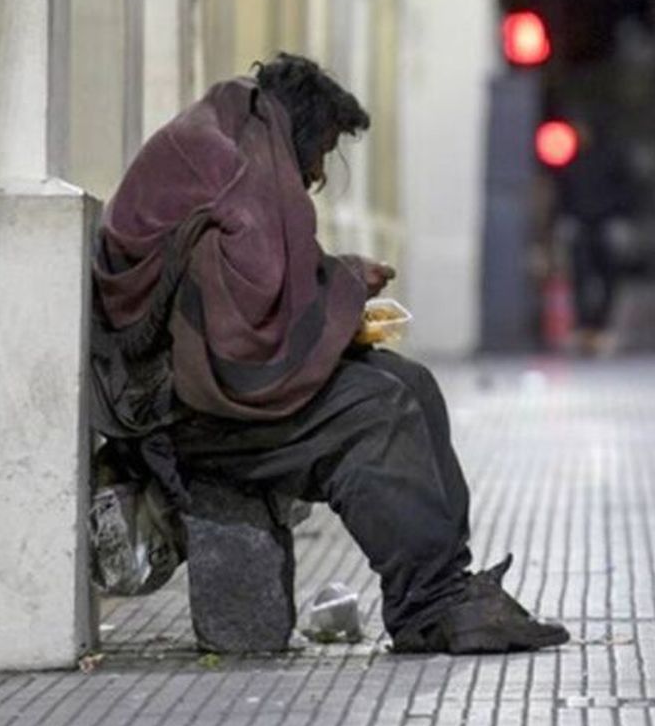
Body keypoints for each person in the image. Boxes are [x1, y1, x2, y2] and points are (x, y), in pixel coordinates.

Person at [92, 53, 570, 654]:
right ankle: (430, 605)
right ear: (303, 128)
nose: (317, 173)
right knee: (378, 411)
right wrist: (344, 283)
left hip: (192, 382)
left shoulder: (234, 135)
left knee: (413, 384)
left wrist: (336, 290)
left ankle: (447, 588)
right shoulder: (239, 163)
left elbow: (252, 298)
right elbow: (248, 336)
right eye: (321, 152)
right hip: (177, 414)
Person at [554, 117, 639, 356]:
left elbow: (626, 190)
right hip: (581, 224)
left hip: (605, 224)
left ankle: (601, 327)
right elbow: (565, 192)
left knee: (609, 278)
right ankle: (584, 327)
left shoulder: (611, 158)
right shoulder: (573, 160)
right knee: (580, 277)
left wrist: (620, 216)